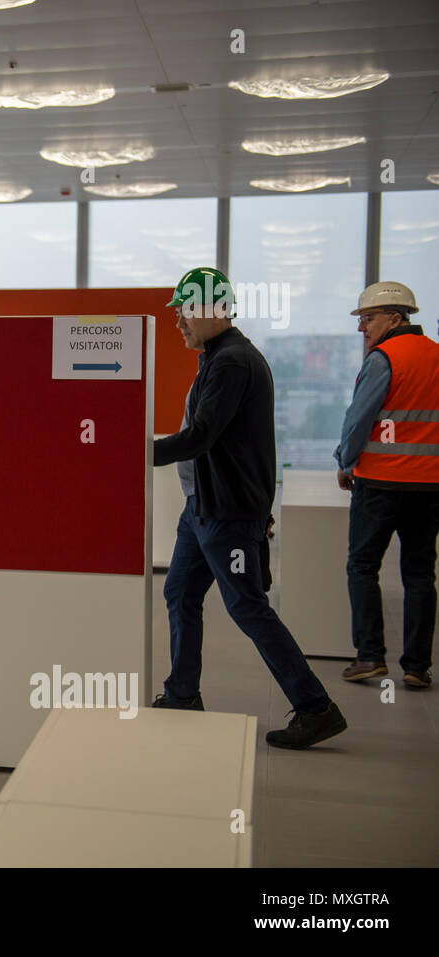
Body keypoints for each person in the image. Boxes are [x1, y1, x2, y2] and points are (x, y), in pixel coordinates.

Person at [152, 266, 347, 750]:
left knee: (248, 608)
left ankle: (316, 707)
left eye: (183, 312)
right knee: (179, 592)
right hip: (202, 510)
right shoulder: (219, 357)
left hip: (226, 512)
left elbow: (202, 436)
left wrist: (139, 452)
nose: (177, 322)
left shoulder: (233, 361)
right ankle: (182, 694)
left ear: (210, 310)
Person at [334, 281, 439, 690]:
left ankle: (370, 657)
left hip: (379, 482)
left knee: (362, 566)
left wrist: (345, 460)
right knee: (419, 574)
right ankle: (416, 667)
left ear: (396, 318)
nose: (363, 327)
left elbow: (359, 419)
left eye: (368, 318)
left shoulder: (384, 358)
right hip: (429, 485)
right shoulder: (435, 355)